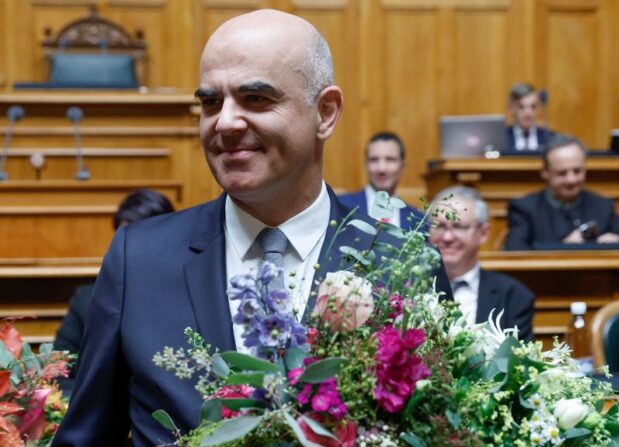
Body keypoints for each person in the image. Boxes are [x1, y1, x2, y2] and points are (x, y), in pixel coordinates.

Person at [53, 10, 451, 446]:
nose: (224, 122)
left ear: (326, 112)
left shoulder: (400, 260)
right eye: (210, 103)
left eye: (255, 99)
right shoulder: (139, 259)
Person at [54, 188, 175, 357]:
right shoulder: (88, 300)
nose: (131, 250)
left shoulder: (185, 297)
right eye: (124, 240)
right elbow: (60, 369)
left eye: (142, 240)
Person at [430, 186, 535, 341]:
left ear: (483, 233)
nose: (447, 237)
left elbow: (518, 362)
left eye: (459, 227)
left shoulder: (514, 296)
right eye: (439, 226)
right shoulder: (408, 289)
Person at [503, 134, 619, 250]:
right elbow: (515, 254)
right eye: (562, 173)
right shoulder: (524, 209)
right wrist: (563, 248)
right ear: (545, 172)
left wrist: (618, 244)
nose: (571, 180)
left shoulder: (603, 206)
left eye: (577, 171)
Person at [338, 131, 423, 230]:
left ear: (403, 167)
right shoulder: (341, 206)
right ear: (366, 165)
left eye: (390, 159)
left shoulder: (418, 220)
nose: (381, 169)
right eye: (374, 160)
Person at [503, 82, 556, 154]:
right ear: (511, 108)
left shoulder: (549, 137)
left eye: (533, 107)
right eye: (521, 107)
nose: (528, 113)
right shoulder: (502, 138)